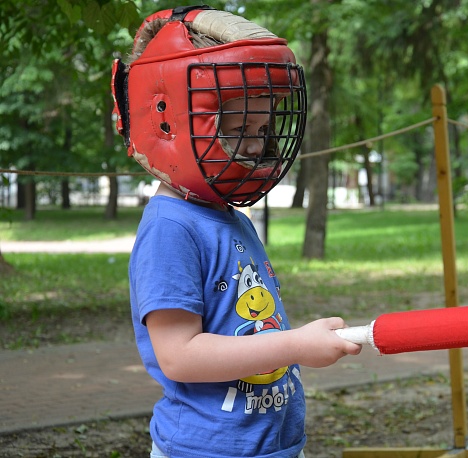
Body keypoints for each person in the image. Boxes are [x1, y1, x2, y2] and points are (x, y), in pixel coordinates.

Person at [110, 6, 362, 457]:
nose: (255, 143)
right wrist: (295, 345)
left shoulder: (232, 217)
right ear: (170, 123)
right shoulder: (171, 228)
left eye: (262, 128)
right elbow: (179, 355)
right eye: (238, 127)